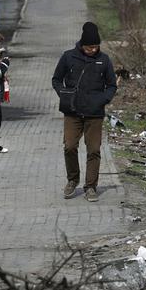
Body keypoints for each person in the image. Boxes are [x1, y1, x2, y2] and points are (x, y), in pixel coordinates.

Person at [51, 22, 117, 202]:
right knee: (70, 146)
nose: (92, 50)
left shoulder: (104, 60)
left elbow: (112, 85)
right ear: (82, 44)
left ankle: (91, 187)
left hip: (94, 113)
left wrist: (103, 99)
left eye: (95, 47)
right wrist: (64, 94)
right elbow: (56, 79)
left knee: (94, 150)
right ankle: (72, 180)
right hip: (72, 112)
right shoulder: (68, 57)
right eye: (89, 47)